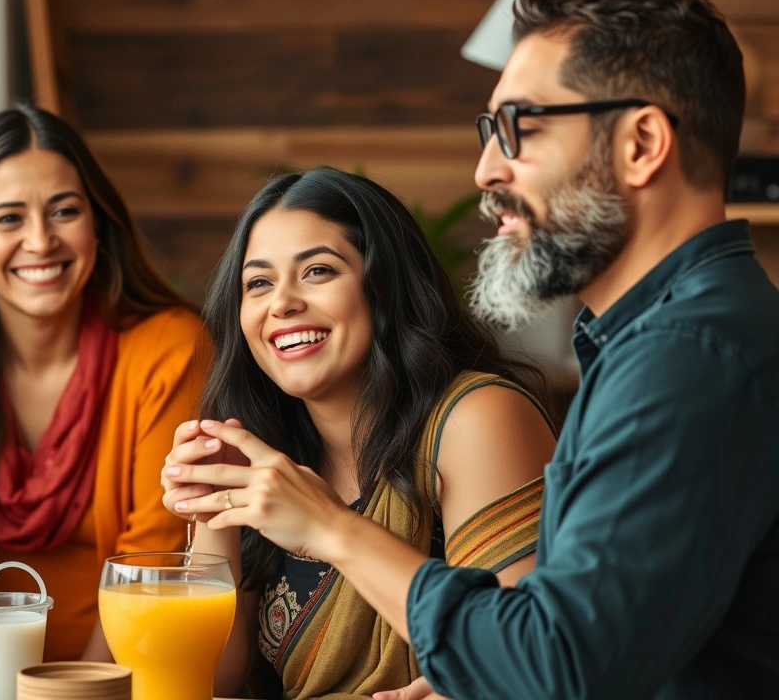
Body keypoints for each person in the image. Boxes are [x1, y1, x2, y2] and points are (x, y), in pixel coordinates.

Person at [172, 0, 779, 698]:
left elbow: (553, 670)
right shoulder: (652, 344)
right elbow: (586, 643)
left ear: (641, 143)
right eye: (488, 132)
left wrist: (331, 530)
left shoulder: (687, 358)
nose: (487, 170)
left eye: (520, 126)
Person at [161, 165, 558, 698]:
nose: (282, 303)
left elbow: (519, 666)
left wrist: (326, 525)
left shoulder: (477, 419)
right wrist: (218, 515)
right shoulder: (268, 451)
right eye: (258, 283)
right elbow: (209, 681)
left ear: (385, 285)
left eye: (318, 271)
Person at [0, 105, 207, 662]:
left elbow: (150, 576)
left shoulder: (170, 351)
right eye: (8, 218)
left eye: (64, 210)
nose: (41, 241)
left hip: (128, 679)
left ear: (98, 227)